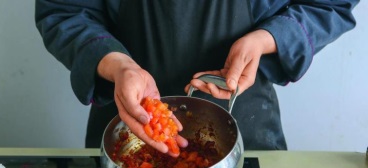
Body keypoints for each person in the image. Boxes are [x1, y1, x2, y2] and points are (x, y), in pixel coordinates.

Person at [35, 0, 358, 155]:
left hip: (247, 134)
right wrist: (119, 65)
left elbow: (330, 4)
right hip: (128, 133)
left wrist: (265, 39)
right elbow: (64, 11)